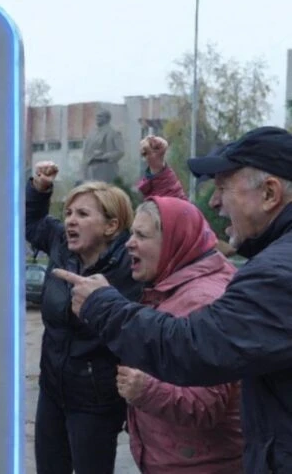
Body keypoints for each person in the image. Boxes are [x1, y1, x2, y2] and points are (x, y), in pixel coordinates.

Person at [52, 126, 292, 473]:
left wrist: (103, 307)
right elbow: (178, 221)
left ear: (269, 193)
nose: (214, 203)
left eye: (223, 188)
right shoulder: (266, 265)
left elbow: (196, 347)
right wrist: (159, 175)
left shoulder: (268, 276)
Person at [26, 161, 142, 474]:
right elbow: (32, 222)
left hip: (96, 399)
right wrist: (40, 189)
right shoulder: (60, 244)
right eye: (68, 213)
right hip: (52, 389)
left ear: (111, 226)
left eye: (82, 214)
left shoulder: (131, 264)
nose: (70, 221)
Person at [120, 195, 243, 473]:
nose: (129, 243)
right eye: (131, 233)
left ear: (173, 242)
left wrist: (145, 389)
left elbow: (205, 405)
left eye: (141, 235)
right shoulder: (173, 285)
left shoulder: (202, 301)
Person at [81, 109, 125, 183]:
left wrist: (103, 157)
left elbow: (120, 151)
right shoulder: (92, 134)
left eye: (100, 116)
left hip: (106, 170)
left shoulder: (114, 133)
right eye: (97, 116)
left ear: (107, 118)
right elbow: (86, 153)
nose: (97, 118)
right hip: (90, 171)